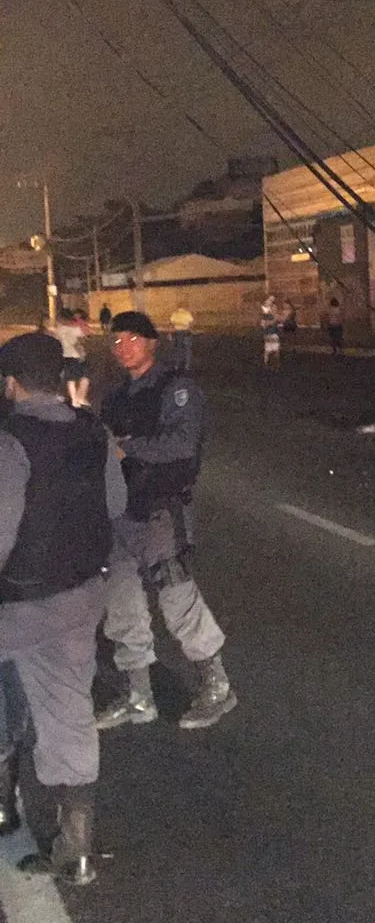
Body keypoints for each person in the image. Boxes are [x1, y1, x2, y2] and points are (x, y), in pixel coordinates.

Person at [0, 332, 121, 884]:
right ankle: (76, 849)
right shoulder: (91, 432)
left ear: (12, 383)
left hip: (23, 602)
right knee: (68, 707)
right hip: (83, 593)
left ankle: (4, 796)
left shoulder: (12, 442)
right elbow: (115, 504)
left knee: (10, 690)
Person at [95, 312, 236, 731]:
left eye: (133, 338)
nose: (124, 347)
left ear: (153, 342)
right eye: (117, 340)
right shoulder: (117, 397)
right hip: (120, 510)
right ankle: (138, 696)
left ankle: (217, 685)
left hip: (160, 509)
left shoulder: (176, 389)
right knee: (122, 604)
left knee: (176, 596)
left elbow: (182, 443)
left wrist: (128, 449)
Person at [51, 309, 90, 409]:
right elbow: (84, 339)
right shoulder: (76, 329)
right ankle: (79, 397)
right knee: (85, 376)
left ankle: (74, 399)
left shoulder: (59, 329)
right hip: (77, 356)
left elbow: (56, 341)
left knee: (70, 379)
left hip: (66, 355)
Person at [168, 303, 195, 373]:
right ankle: (187, 365)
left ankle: (177, 365)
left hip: (177, 332)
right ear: (184, 307)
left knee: (178, 349)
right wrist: (190, 331)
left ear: (178, 307)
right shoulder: (187, 314)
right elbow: (191, 323)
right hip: (186, 332)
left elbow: (171, 324)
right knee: (187, 349)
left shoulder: (175, 314)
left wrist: (170, 333)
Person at [260, 297, 281, 369]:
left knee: (274, 350)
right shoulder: (266, 316)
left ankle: (273, 364)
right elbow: (264, 325)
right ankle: (267, 364)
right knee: (269, 350)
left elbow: (278, 320)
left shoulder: (273, 316)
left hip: (273, 334)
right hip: (269, 334)